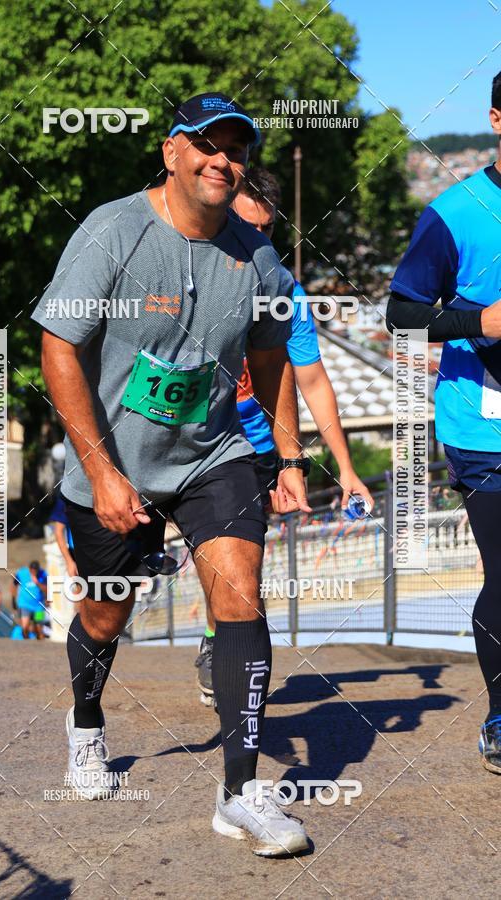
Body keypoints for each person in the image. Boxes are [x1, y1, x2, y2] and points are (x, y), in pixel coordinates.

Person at [33, 91, 314, 855]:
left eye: (237, 150)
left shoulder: (256, 258)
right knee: (104, 615)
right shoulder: (114, 232)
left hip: (212, 455)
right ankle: (86, 724)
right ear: (172, 152)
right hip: (114, 462)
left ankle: (241, 793)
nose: (224, 161)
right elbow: (59, 347)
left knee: (240, 594)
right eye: (208, 145)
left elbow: (269, 356)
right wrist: (104, 469)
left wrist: (286, 455)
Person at [194, 167, 374, 707]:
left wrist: (344, 469)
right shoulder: (189, 277)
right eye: (243, 227)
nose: (255, 244)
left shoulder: (284, 293)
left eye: (266, 233)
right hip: (184, 439)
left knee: (242, 561)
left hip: (251, 449)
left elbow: (314, 383)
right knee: (116, 595)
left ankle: (224, 648)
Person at [386, 70, 501, 774]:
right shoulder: (457, 211)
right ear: (496, 117)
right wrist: (479, 321)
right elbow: (399, 312)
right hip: (484, 427)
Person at [12, 560, 48, 640]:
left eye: (35, 571)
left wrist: (37, 583)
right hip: (25, 604)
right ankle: (27, 643)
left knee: (39, 628)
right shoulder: (22, 573)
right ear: (29, 569)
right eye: (32, 570)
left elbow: (47, 589)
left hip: (39, 606)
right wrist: (13, 599)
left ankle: (40, 644)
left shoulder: (43, 574)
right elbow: (14, 585)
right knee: (25, 626)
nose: (33, 572)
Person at [49, 493, 78, 578]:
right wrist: (69, 562)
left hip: (105, 548)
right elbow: (58, 531)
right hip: (77, 552)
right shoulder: (67, 495)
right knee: (81, 587)